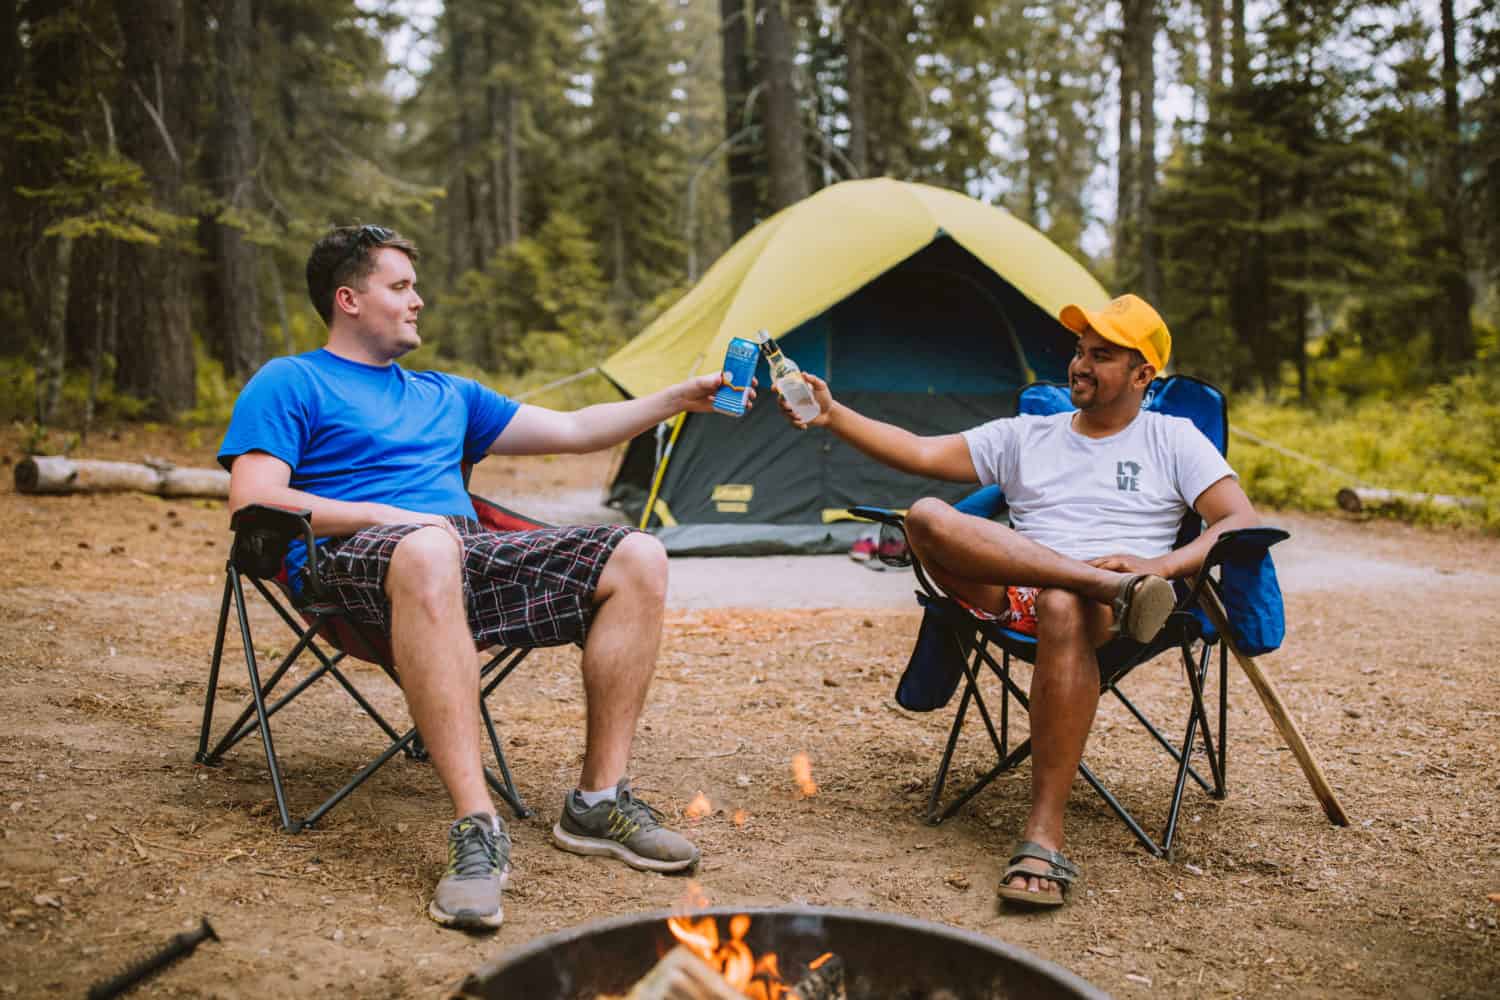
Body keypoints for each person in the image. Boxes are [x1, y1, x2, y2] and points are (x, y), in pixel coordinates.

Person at [219, 224, 749, 931]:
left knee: (639, 554)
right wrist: (394, 517)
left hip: (460, 556)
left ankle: (598, 802)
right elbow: (255, 498)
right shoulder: (291, 380)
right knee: (430, 548)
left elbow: (576, 428)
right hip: (346, 563)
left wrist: (677, 398)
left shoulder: (447, 395)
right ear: (348, 299)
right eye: (400, 286)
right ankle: (476, 826)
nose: (418, 301)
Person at [773, 293, 1258, 909]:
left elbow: (1236, 523)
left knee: (1062, 603)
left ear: (1143, 375)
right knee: (925, 514)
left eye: (1101, 356)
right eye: (1080, 352)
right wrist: (834, 414)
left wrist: (1158, 566)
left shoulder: (1174, 439)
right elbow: (920, 453)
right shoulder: (1028, 435)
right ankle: (1091, 582)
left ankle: (1043, 833)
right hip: (1035, 593)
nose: (1080, 365)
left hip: (1124, 604)